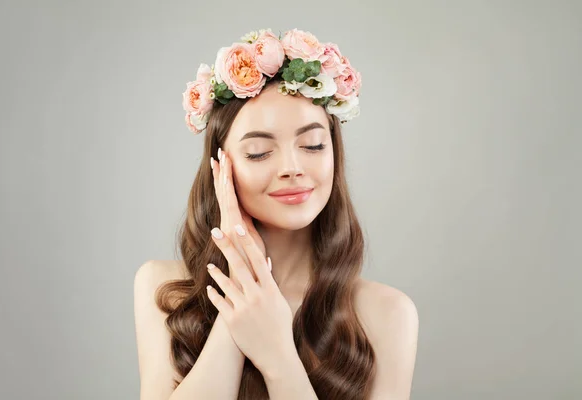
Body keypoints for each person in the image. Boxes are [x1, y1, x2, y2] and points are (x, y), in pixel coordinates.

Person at [134, 28, 419, 400]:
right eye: (258, 152)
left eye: (313, 145)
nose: (293, 167)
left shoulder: (388, 314)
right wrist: (242, 290)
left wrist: (278, 356)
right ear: (220, 167)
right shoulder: (163, 288)